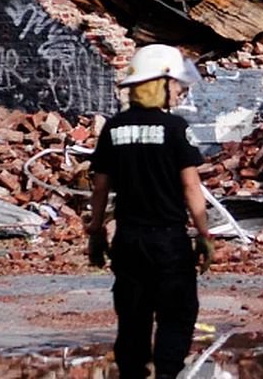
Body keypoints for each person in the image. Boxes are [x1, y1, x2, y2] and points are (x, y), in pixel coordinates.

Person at [86, 44, 214, 379]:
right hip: (168, 242)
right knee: (177, 314)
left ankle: (132, 374)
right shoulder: (175, 128)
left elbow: (100, 188)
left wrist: (96, 231)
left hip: (128, 241)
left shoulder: (113, 128)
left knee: (133, 317)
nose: (178, 91)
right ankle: (167, 374)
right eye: (174, 84)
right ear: (160, 83)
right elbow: (191, 186)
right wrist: (204, 233)